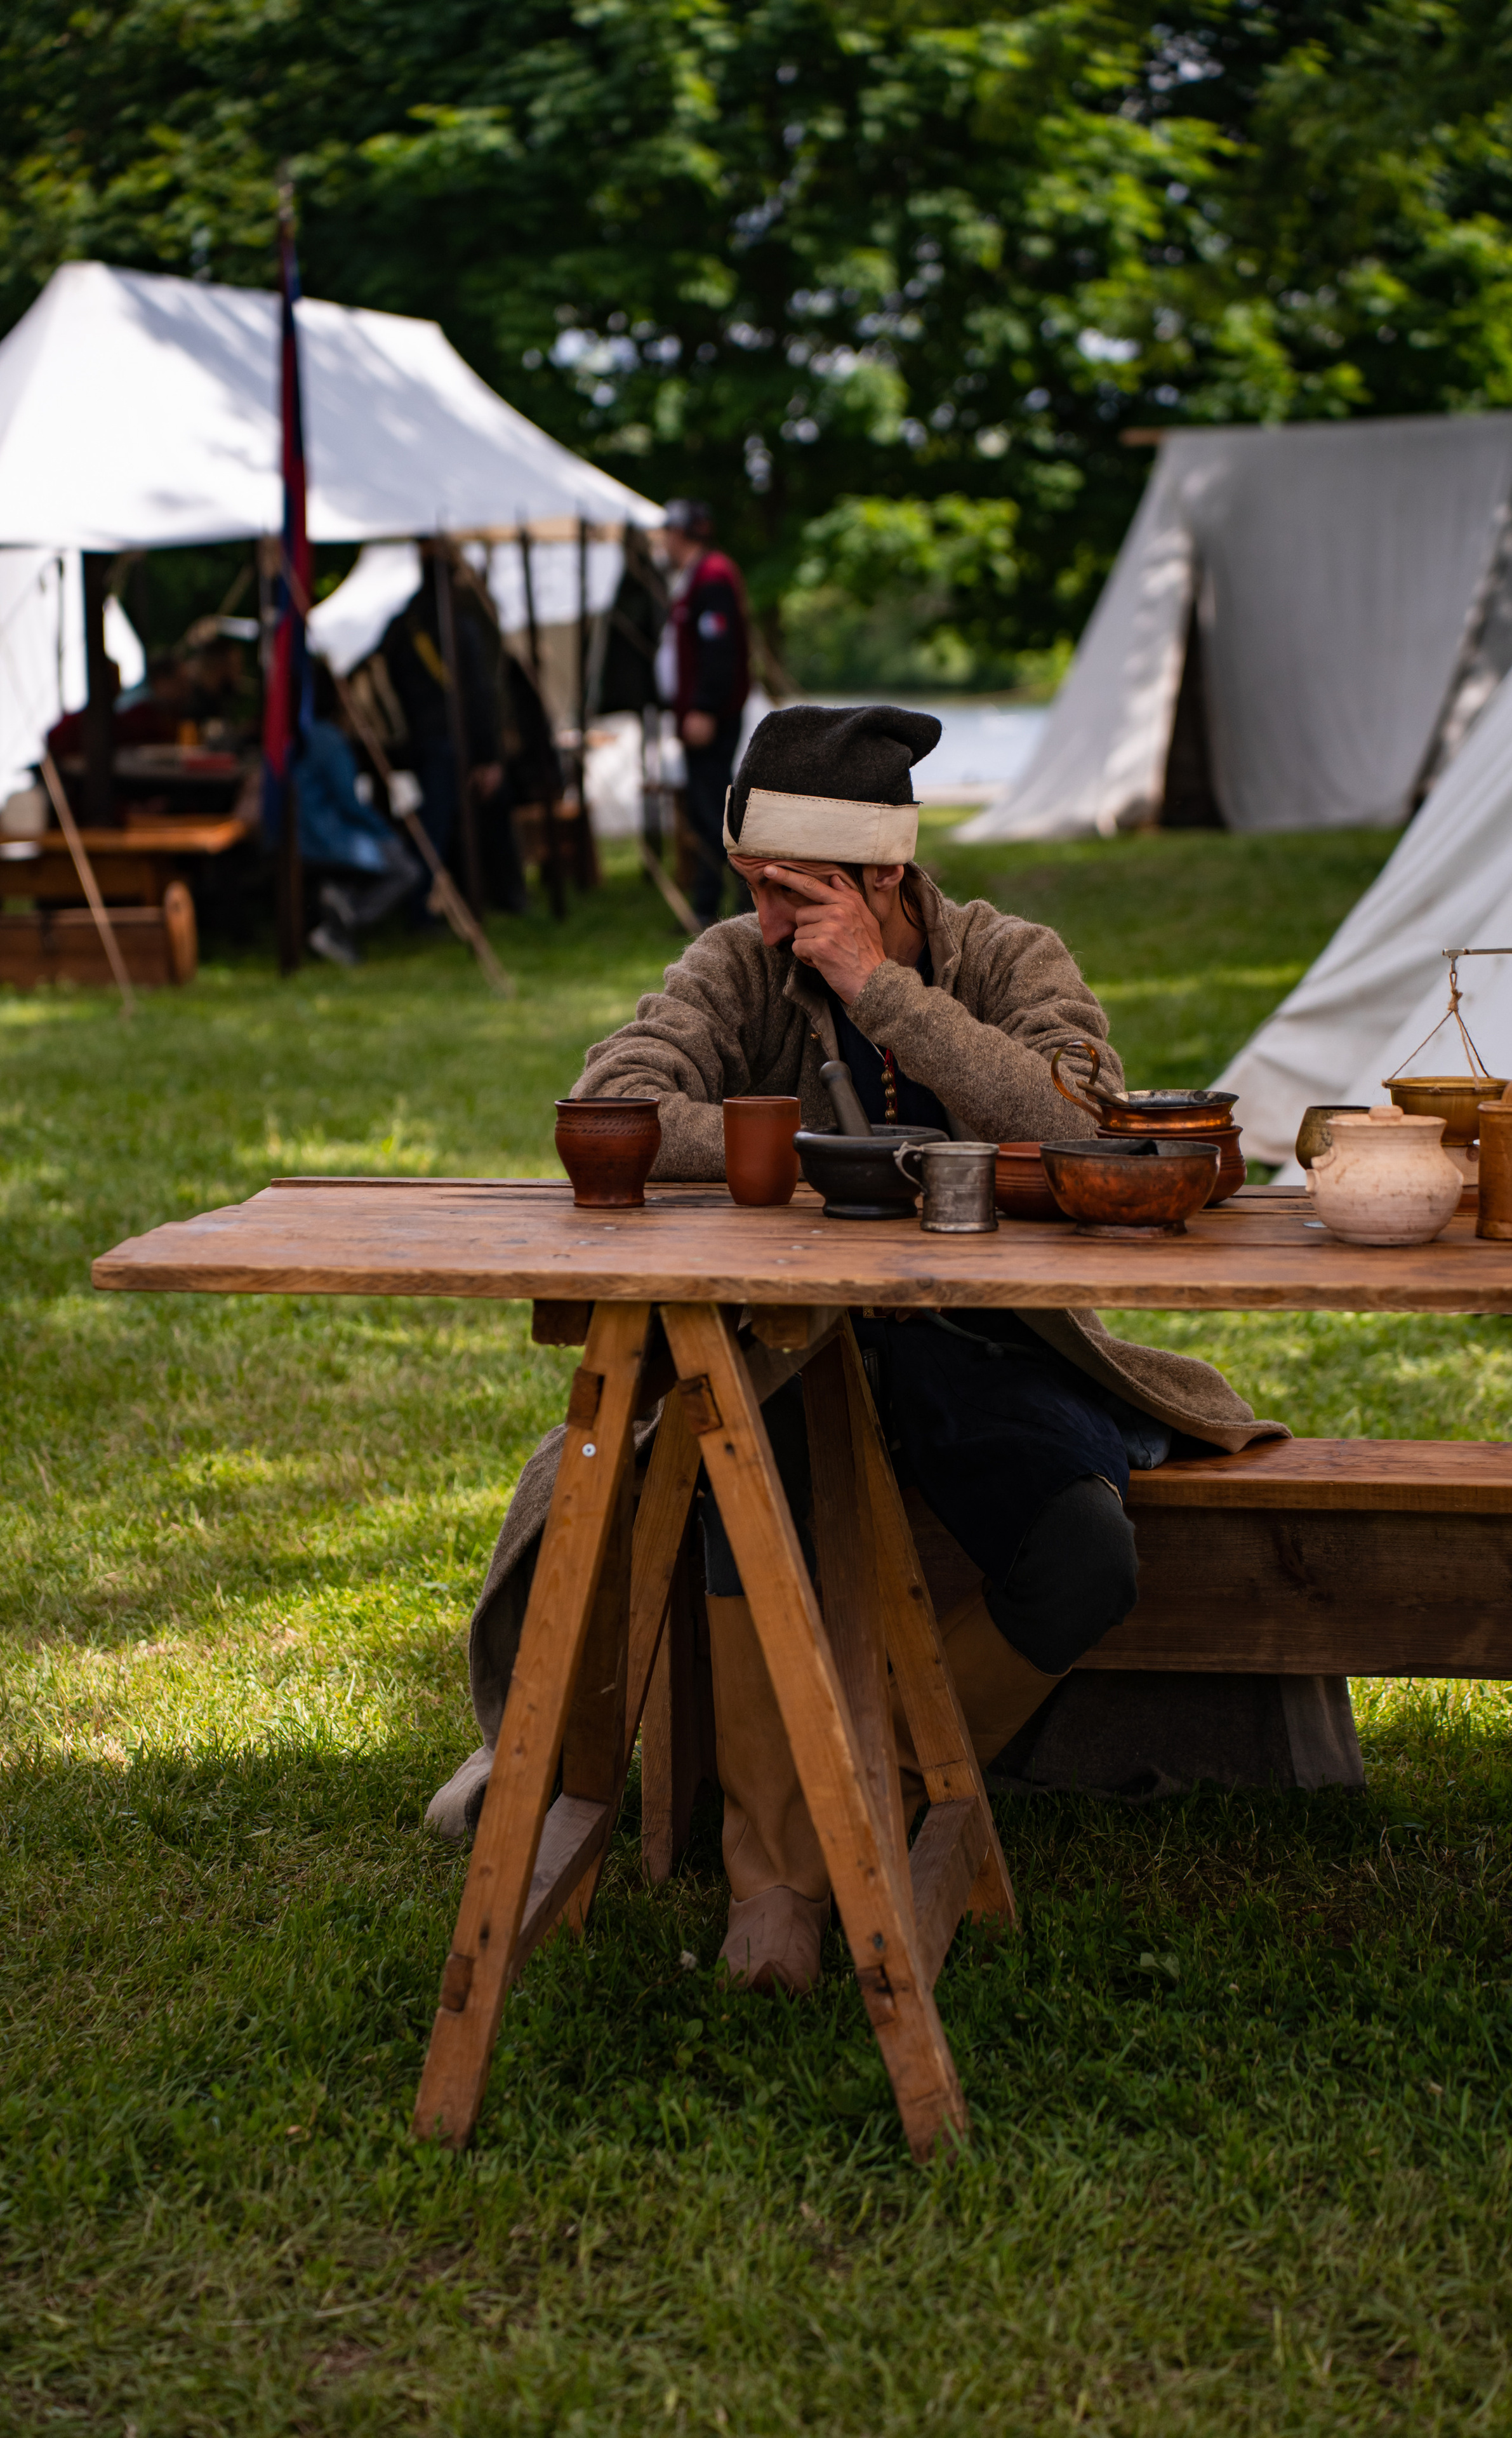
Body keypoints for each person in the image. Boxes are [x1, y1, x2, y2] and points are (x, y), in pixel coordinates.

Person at [427, 702, 1330, 1996]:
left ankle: (857, 1803)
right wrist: (803, 1155)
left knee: (1084, 1552)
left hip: (982, 1341)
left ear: (882, 879)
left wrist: (882, 994)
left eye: (792, 894)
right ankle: (772, 1884)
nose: (764, 919)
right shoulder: (737, 966)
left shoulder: (1003, 957)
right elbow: (617, 1102)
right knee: (744, 1468)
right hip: (789, 1341)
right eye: (752, 885)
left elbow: (1084, 1122)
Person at [381, 543, 527, 915]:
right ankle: (422, 905)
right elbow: (477, 693)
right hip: (452, 738)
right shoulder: (457, 626)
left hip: (424, 736)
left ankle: (441, 901)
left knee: (438, 824)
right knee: (439, 827)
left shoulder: (405, 624)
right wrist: (488, 754)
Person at [656, 500, 751, 924]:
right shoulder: (698, 575)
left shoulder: (711, 576)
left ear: (679, 534)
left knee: (715, 812)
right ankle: (711, 904)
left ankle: (738, 905)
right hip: (698, 713)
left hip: (709, 715)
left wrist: (704, 707)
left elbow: (718, 648)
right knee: (705, 811)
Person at [291, 661, 420, 966]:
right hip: (322, 837)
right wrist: (386, 831)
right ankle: (345, 918)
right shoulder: (329, 739)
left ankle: (340, 906)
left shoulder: (298, 734)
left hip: (299, 834)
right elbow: (349, 802)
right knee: (406, 869)